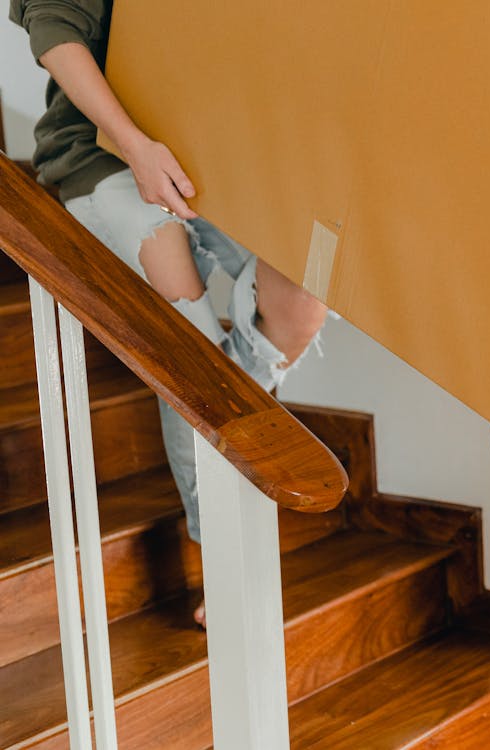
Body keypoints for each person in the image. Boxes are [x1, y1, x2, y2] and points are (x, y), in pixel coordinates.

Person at [11, 0, 328, 628]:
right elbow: (53, 33)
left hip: (211, 149)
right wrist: (135, 146)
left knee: (303, 304)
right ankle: (225, 557)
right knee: (195, 352)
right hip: (101, 153)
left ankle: (225, 423)